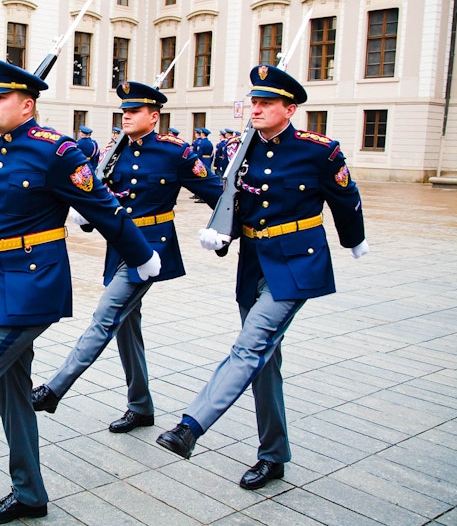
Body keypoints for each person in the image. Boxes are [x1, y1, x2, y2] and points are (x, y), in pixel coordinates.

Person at [156, 64, 368, 490]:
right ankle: (274, 455)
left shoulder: (319, 151)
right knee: (264, 362)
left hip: (297, 263)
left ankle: (191, 426)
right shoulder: (242, 149)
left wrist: (354, 240)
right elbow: (239, 202)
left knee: (250, 345)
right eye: (254, 102)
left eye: (266, 103)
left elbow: (346, 197)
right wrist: (223, 235)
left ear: (289, 109)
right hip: (254, 262)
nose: (256, 109)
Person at [0, 61, 160, 523]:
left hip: (32, 288)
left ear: (27, 105)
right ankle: (30, 494)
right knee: (11, 390)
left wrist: (143, 256)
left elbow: (105, 209)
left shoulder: (57, 151)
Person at [32, 80, 223, 435]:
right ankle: (141, 407)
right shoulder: (114, 149)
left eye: (134, 111)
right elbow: (101, 194)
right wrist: (86, 215)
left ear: (154, 117)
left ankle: (55, 388)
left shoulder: (175, 152)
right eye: (124, 111)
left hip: (151, 247)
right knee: (126, 329)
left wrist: (225, 232)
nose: (127, 116)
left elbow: (218, 195)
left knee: (105, 316)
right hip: (117, 246)